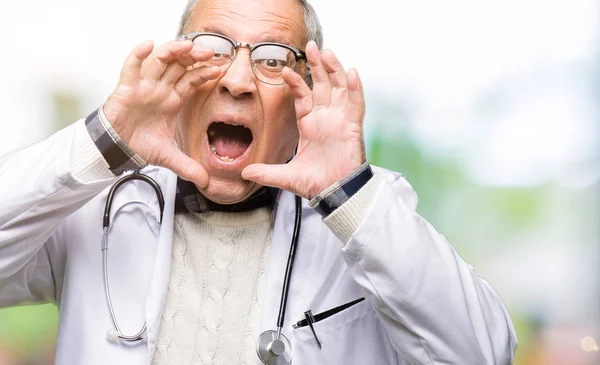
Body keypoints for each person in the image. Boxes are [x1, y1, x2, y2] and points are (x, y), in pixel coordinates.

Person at [0, 0, 517, 364]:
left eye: (272, 59)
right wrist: (104, 142)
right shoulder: (103, 205)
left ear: (303, 96)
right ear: (177, 70)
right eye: (213, 49)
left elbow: (482, 354)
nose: (238, 80)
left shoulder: (367, 214)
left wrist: (347, 194)